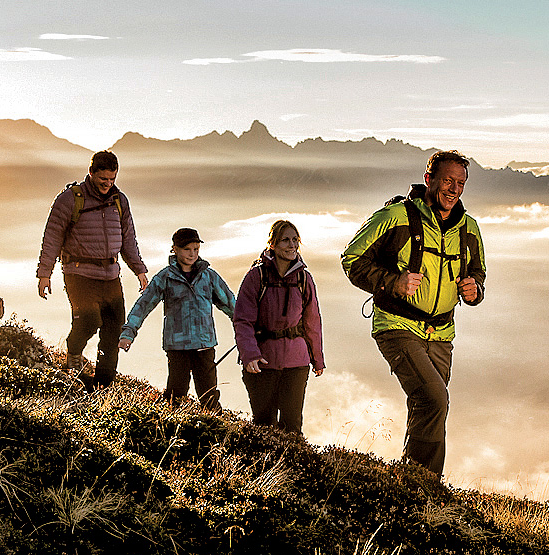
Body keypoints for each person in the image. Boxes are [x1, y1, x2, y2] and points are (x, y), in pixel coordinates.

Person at [341, 150, 486, 477]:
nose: (454, 189)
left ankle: (416, 484)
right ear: (428, 179)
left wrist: (475, 290)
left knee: (431, 407)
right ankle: (423, 484)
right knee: (434, 400)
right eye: (447, 181)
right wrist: (393, 282)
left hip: (441, 333)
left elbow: (478, 272)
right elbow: (352, 260)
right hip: (397, 325)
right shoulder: (395, 217)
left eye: (461, 183)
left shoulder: (469, 229)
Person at [37, 150, 148, 390]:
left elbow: (128, 239)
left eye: (112, 179)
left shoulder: (119, 201)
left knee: (114, 331)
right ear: (91, 173)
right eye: (103, 179)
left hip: (111, 274)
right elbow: (52, 237)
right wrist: (45, 274)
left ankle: (102, 385)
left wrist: (139, 269)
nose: (108, 184)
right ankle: (74, 351)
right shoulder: (70, 199)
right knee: (89, 320)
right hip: (79, 273)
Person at [118, 228, 236, 408]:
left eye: (196, 249)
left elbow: (231, 305)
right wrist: (128, 332)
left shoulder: (209, 276)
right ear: (174, 249)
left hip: (204, 345)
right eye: (187, 249)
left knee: (209, 397)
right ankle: (169, 423)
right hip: (177, 346)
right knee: (176, 394)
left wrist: (249, 329)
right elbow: (143, 305)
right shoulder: (165, 277)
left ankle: (212, 425)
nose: (192, 254)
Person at [233, 220, 325, 435]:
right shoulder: (256, 276)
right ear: (272, 244)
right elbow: (243, 320)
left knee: (292, 426)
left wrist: (317, 358)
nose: (292, 245)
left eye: (295, 240)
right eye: (285, 240)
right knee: (264, 424)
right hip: (262, 362)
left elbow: (312, 322)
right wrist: (249, 355)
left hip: (297, 362)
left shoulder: (304, 278)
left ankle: (291, 458)